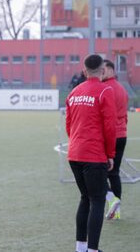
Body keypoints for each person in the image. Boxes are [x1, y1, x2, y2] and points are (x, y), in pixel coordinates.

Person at [66, 54, 117, 252]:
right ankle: (93, 250)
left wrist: (77, 143)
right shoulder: (106, 91)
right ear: (102, 70)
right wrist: (110, 154)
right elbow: (110, 126)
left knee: (85, 198)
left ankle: (81, 248)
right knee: (97, 200)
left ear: (84, 71)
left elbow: (69, 125)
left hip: (75, 153)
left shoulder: (74, 93)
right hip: (94, 154)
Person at [102, 59, 129, 220]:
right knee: (114, 173)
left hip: (110, 136)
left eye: (104, 70)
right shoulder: (122, 89)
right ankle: (116, 210)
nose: (101, 72)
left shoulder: (106, 89)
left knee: (97, 174)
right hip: (122, 135)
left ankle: (111, 199)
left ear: (111, 71)